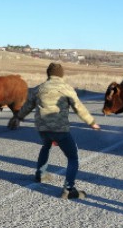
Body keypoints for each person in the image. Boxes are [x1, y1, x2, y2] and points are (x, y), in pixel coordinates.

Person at [11, 63, 101, 199]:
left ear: (48, 74)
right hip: (60, 129)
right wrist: (91, 122)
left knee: (46, 146)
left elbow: (27, 106)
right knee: (73, 157)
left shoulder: (39, 88)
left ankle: (40, 174)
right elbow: (79, 107)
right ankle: (69, 190)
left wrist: (18, 117)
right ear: (61, 74)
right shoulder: (67, 89)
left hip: (42, 128)